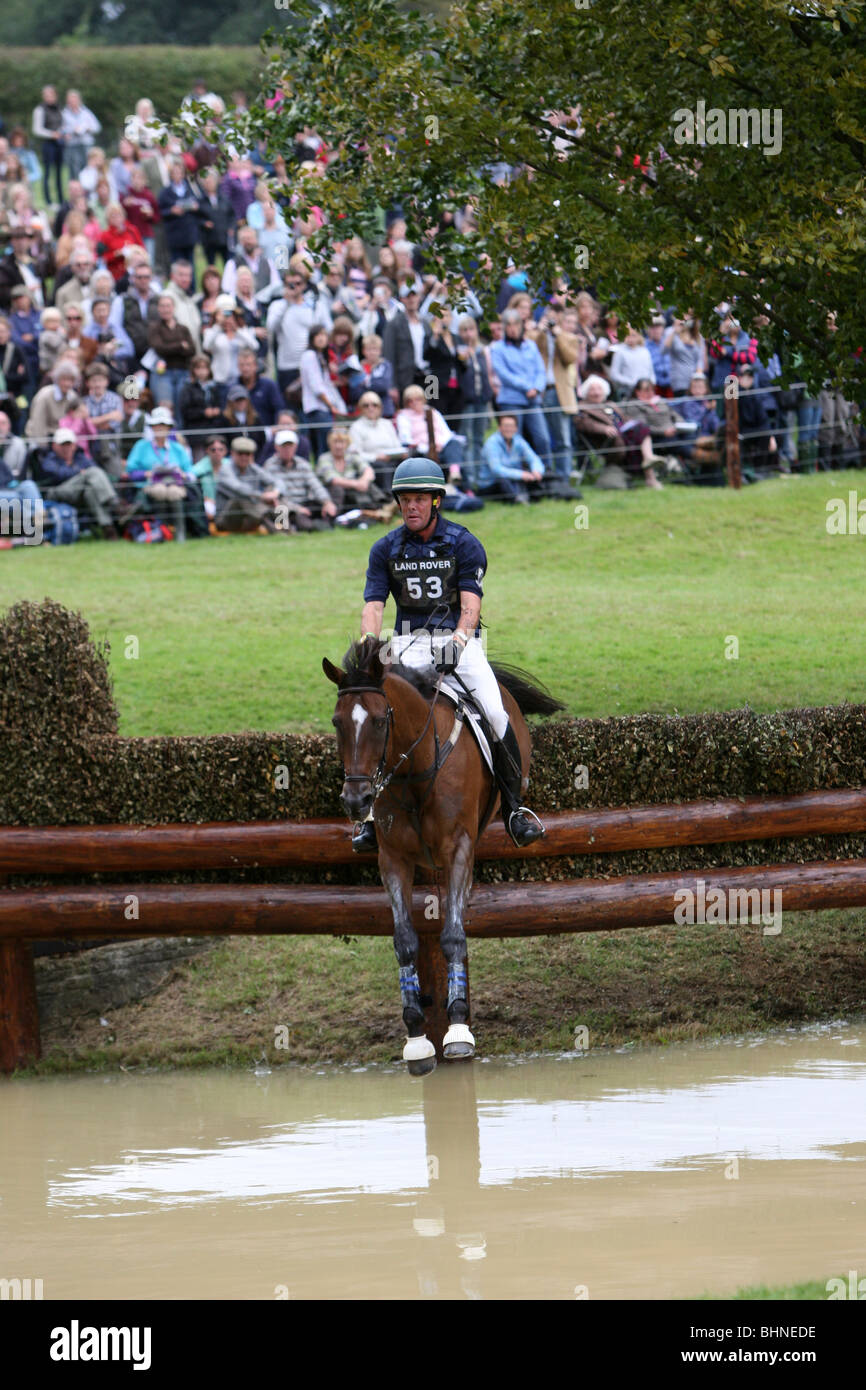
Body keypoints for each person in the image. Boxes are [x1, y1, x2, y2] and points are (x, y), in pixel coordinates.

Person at [356, 456, 546, 852]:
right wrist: (368, 643)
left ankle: (514, 809)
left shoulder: (463, 543)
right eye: (405, 499)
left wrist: (457, 644)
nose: (411, 506)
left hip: (460, 640)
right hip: (405, 640)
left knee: (495, 712)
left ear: (436, 501)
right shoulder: (384, 548)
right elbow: (374, 604)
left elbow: (470, 605)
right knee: (369, 713)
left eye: (419, 499)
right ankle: (372, 817)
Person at [575, 376, 664, 489]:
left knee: (642, 428)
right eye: (592, 389)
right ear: (586, 392)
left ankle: (648, 460)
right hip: (608, 441)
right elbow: (584, 424)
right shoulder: (583, 408)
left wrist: (632, 422)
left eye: (599, 389)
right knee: (639, 434)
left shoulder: (610, 404)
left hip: (624, 435)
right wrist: (604, 428)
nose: (596, 393)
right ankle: (650, 475)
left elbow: (625, 419)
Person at [490, 308, 552, 468]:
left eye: (515, 324)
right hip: (511, 399)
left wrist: (537, 388)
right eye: (508, 325)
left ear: (521, 325)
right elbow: (503, 374)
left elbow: (540, 370)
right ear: (504, 327)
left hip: (533, 399)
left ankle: (547, 473)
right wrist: (526, 387)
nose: (512, 328)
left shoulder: (530, 345)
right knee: (515, 440)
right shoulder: (497, 348)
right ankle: (518, 477)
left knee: (542, 438)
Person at [34, 425, 122, 537]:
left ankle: (108, 528)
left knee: (89, 491)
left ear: (74, 445)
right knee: (92, 474)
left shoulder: (80, 457)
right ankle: (115, 504)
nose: (66, 448)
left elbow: (94, 470)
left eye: (69, 444)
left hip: (79, 492)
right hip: (56, 492)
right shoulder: (49, 459)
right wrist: (80, 474)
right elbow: (58, 475)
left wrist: (82, 475)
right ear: (54, 445)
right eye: (63, 445)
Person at [263, 428, 338, 529]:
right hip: (286, 507)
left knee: (335, 492)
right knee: (281, 510)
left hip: (305, 503)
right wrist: (297, 508)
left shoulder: (303, 464)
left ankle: (329, 520)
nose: (287, 449)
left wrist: (327, 502)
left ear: (296, 447)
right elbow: (274, 496)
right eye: (284, 446)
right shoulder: (270, 466)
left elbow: (315, 485)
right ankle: (310, 526)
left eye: (290, 446)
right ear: (276, 447)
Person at [215, 434, 285, 533]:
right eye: (240, 453)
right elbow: (238, 488)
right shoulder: (225, 470)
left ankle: (286, 528)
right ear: (232, 453)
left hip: (251, 516)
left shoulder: (254, 469)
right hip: (226, 520)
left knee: (274, 493)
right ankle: (277, 531)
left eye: (247, 454)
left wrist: (275, 493)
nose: (244, 457)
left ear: (252, 455)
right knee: (240, 500)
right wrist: (262, 496)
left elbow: (277, 481)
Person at [395, 383, 464, 482]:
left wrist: (439, 444)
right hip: (421, 451)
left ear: (423, 399)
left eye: (418, 399)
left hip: (440, 447)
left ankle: (455, 473)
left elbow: (446, 432)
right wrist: (427, 447)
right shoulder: (403, 416)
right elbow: (405, 438)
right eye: (410, 400)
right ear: (406, 402)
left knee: (454, 444)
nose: (414, 402)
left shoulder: (433, 412)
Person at [300, 323, 348, 459]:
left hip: (322, 408)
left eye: (324, 335)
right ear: (312, 338)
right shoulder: (310, 356)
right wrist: (331, 406)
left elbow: (323, 383)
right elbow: (316, 387)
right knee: (325, 449)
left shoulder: (320, 356)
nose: (321, 338)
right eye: (318, 335)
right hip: (317, 409)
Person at [316, 425, 389, 514]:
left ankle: (383, 504)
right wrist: (357, 484)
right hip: (333, 495)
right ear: (329, 443)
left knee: (367, 482)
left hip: (352, 491)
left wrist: (364, 481)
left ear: (347, 444)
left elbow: (368, 470)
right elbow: (334, 480)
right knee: (338, 489)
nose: (338, 446)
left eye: (342, 442)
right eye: (335, 442)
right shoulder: (324, 458)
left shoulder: (352, 456)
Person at [478, 412, 545, 502]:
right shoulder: (492, 443)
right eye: (506, 426)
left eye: (511, 426)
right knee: (503, 480)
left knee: (532, 474)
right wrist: (521, 475)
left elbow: (533, 458)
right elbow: (497, 470)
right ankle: (518, 499)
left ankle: (528, 497)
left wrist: (537, 470)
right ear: (499, 428)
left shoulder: (518, 440)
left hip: (512, 479)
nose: (508, 429)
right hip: (491, 484)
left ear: (516, 428)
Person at [148, 294, 196, 416]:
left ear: (173, 308)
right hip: (162, 373)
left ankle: (179, 435)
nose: (165, 309)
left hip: (182, 371)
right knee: (165, 409)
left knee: (181, 408)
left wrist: (169, 346)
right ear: (158, 309)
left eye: (168, 306)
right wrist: (180, 345)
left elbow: (192, 350)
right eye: (162, 306)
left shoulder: (183, 328)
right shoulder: (155, 328)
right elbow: (159, 348)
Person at [157, 160, 201, 282]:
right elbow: (160, 211)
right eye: (174, 172)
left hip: (189, 233)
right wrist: (171, 211)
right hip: (174, 235)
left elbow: (199, 204)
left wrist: (194, 206)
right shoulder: (165, 192)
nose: (177, 175)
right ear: (171, 174)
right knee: (177, 265)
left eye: (179, 172)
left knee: (190, 264)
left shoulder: (190, 188)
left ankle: (191, 289)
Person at [31, 86, 64, 206]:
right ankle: (48, 200)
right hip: (48, 144)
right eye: (46, 95)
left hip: (59, 143)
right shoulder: (39, 110)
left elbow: (62, 124)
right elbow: (37, 129)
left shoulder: (59, 108)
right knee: (47, 173)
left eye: (51, 95)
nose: (49, 97)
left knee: (59, 172)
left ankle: (60, 199)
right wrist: (51, 134)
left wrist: (62, 132)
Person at [662, 311, 706, 395]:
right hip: (678, 381)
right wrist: (674, 331)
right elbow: (663, 351)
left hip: (694, 384)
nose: (686, 318)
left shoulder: (698, 336)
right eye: (685, 315)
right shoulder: (670, 332)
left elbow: (700, 360)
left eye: (689, 316)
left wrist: (698, 379)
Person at [61, 91, 101, 183]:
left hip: (86, 144)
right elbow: (61, 129)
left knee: (89, 168)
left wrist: (87, 129)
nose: (73, 102)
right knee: (75, 170)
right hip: (72, 145)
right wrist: (69, 132)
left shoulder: (86, 112)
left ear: (79, 100)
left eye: (74, 99)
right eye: (70, 100)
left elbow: (97, 127)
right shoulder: (64, 114)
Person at [609, 325, 655, 399]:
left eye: (633, 335)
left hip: (646, 390)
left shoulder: (645, 351)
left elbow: (651, 371)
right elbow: (614, 374)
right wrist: (631, 382)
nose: (630, 339)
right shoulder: (620, 352)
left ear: (639, 336)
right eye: (628, 335)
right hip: (628, 392)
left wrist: (651, 383)